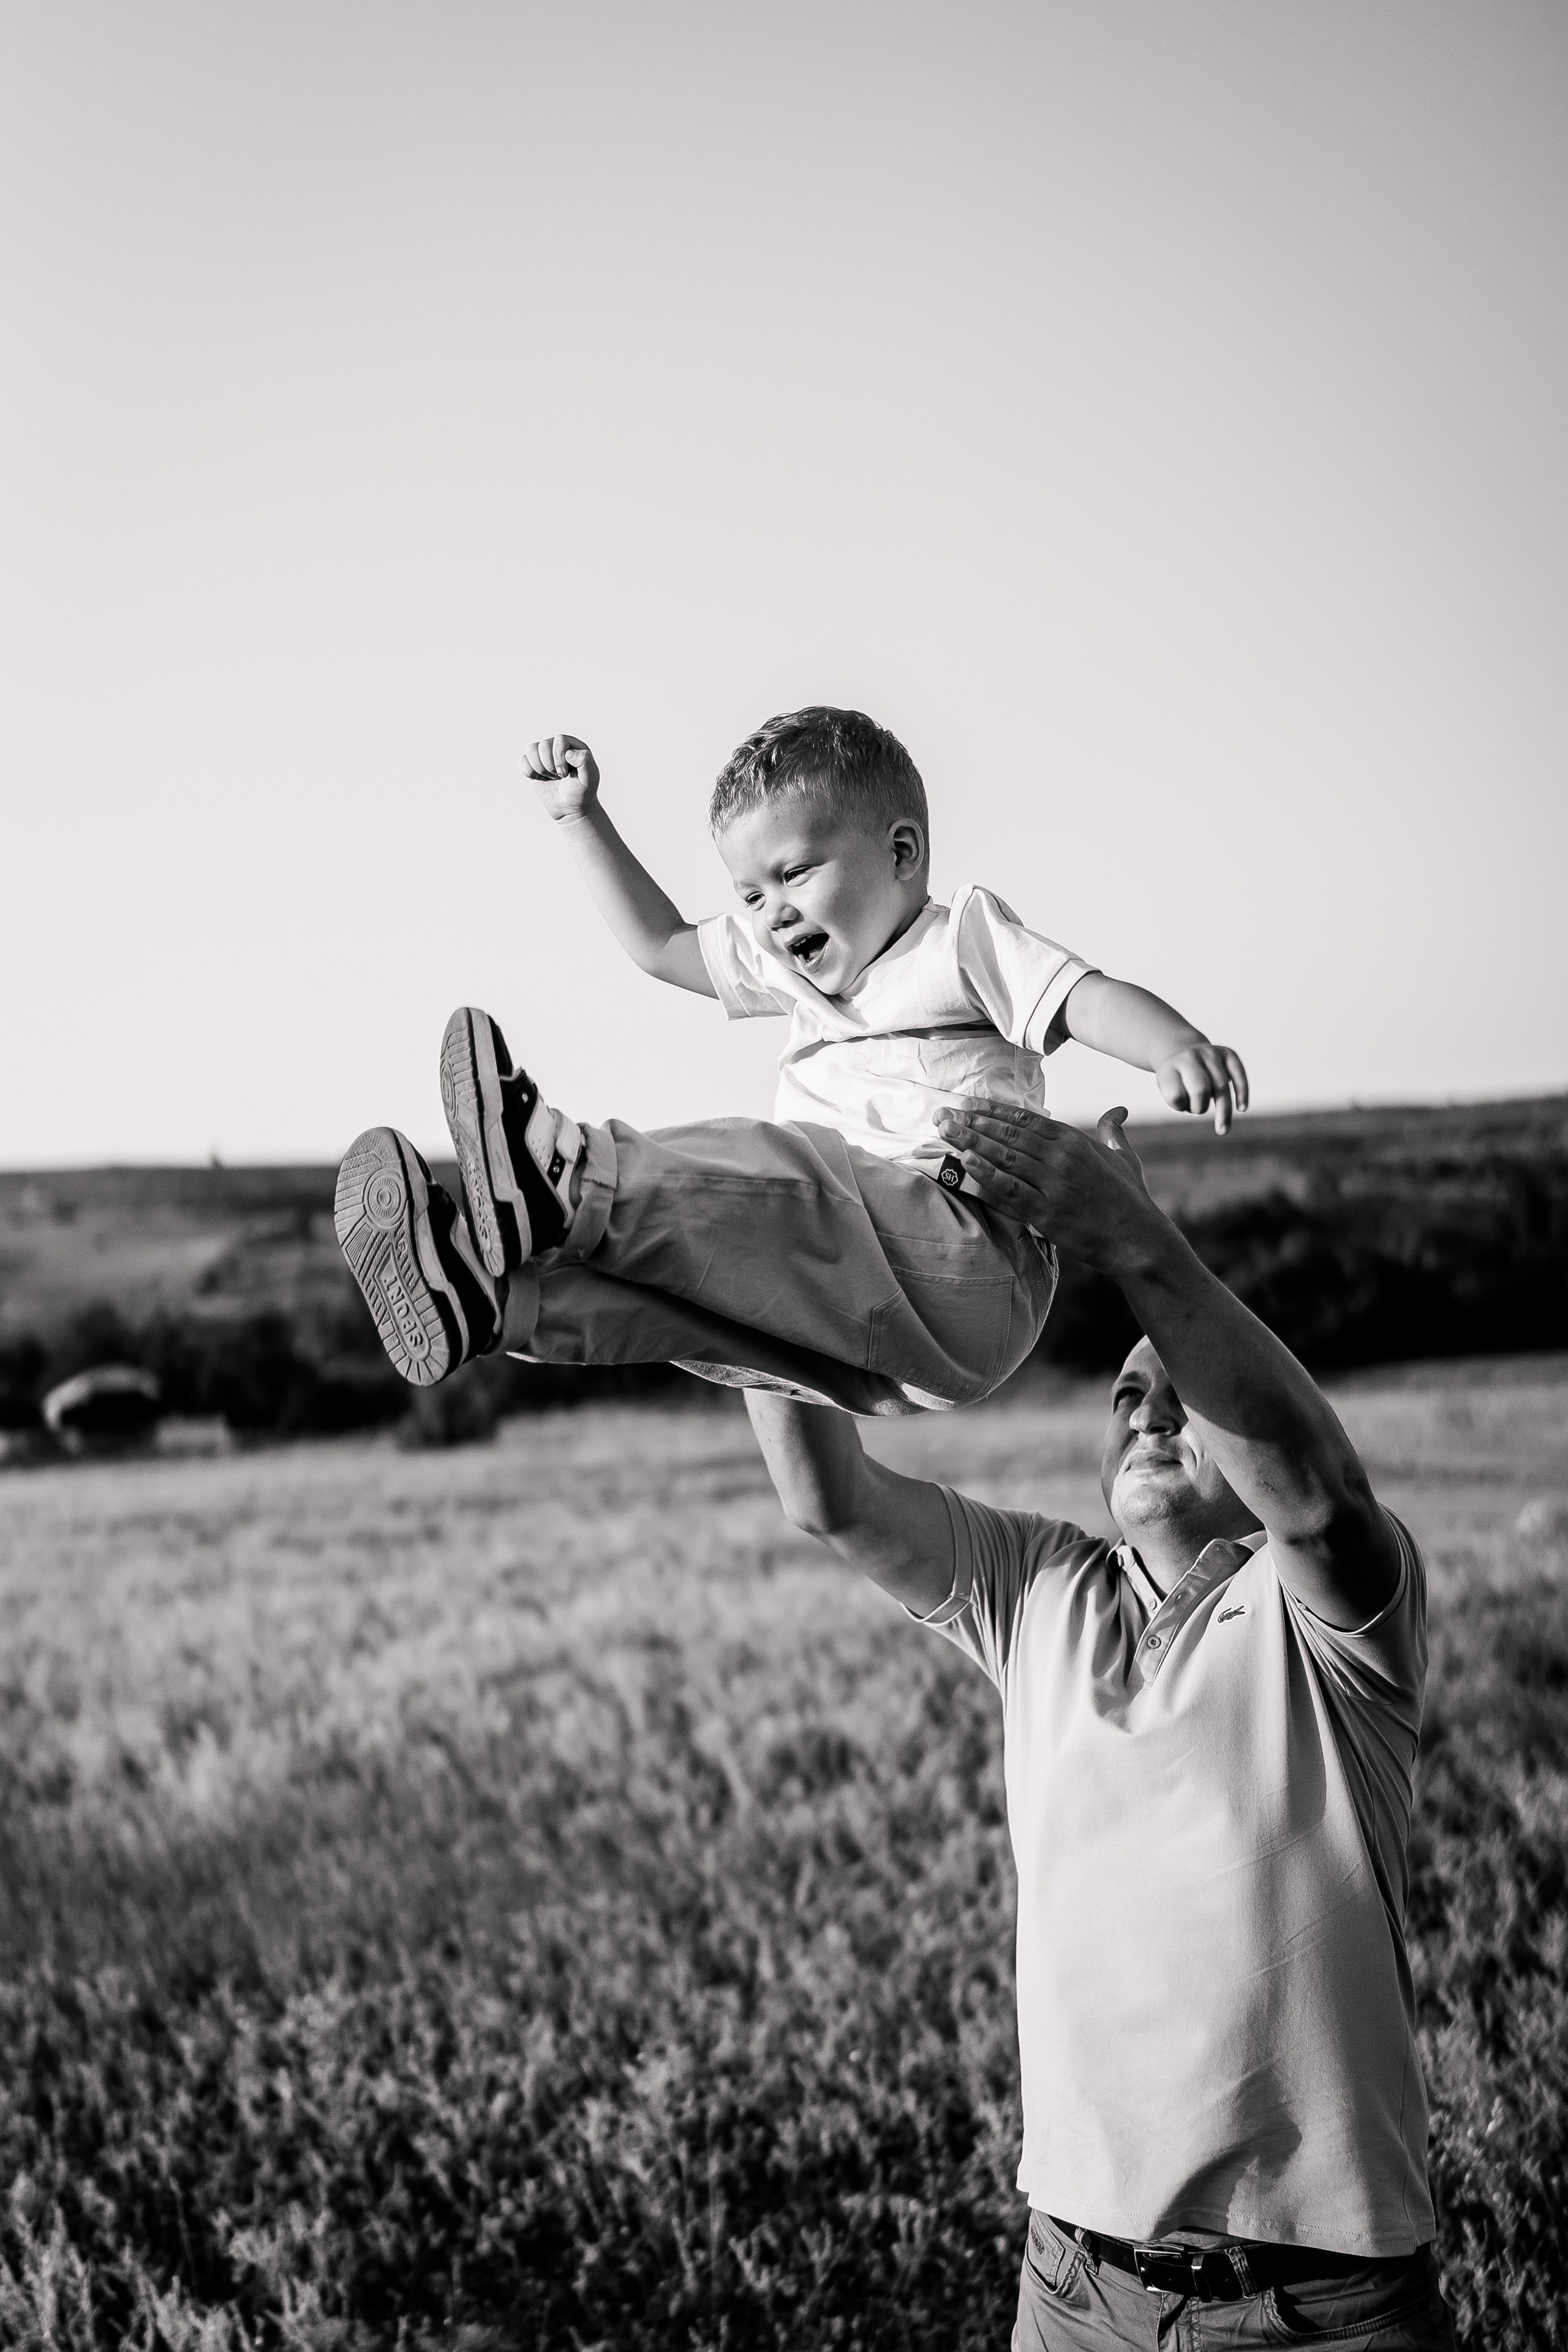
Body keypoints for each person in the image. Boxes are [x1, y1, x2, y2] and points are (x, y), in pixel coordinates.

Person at [742, 1100, 1457, 2349]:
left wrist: (1132, 1240)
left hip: (1316, 2311)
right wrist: (755, 1284)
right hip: (1073, 2291)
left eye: (1179, 1392)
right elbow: (830, 1497)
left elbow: (1317, 1494)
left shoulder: (1333, 1614)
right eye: (1126, 1393)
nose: (1146, 1413)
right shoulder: (1036, 1589)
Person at [337, 707, 1248, 1415]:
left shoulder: (955, 941)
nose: (769, 912)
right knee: (698, 1302)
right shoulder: (784, 968)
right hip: (879, 1336)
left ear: (900, 853)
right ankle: (493, 1301)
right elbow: (661, 944)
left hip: (969, 1259)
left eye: (795, 873)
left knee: (788, 1173)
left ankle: (568, 1176)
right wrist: (583, 819)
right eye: (749, 892)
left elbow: (1082, 997)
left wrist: (1172, 1046)